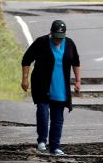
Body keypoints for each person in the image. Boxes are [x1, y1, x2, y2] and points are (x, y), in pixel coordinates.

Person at [21, 19, 81, 155]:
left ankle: (55, 146)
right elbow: (26, 59)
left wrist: (78, 81)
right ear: (51, 33)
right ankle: (42, 141)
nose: (58, 40)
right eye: (56, 37)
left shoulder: (70, 44)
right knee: (43, 111)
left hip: (60, 86)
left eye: (61, 38)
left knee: (58, 117)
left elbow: (76, 62)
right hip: (42, 84)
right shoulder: (41, 42)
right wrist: (25, 79)